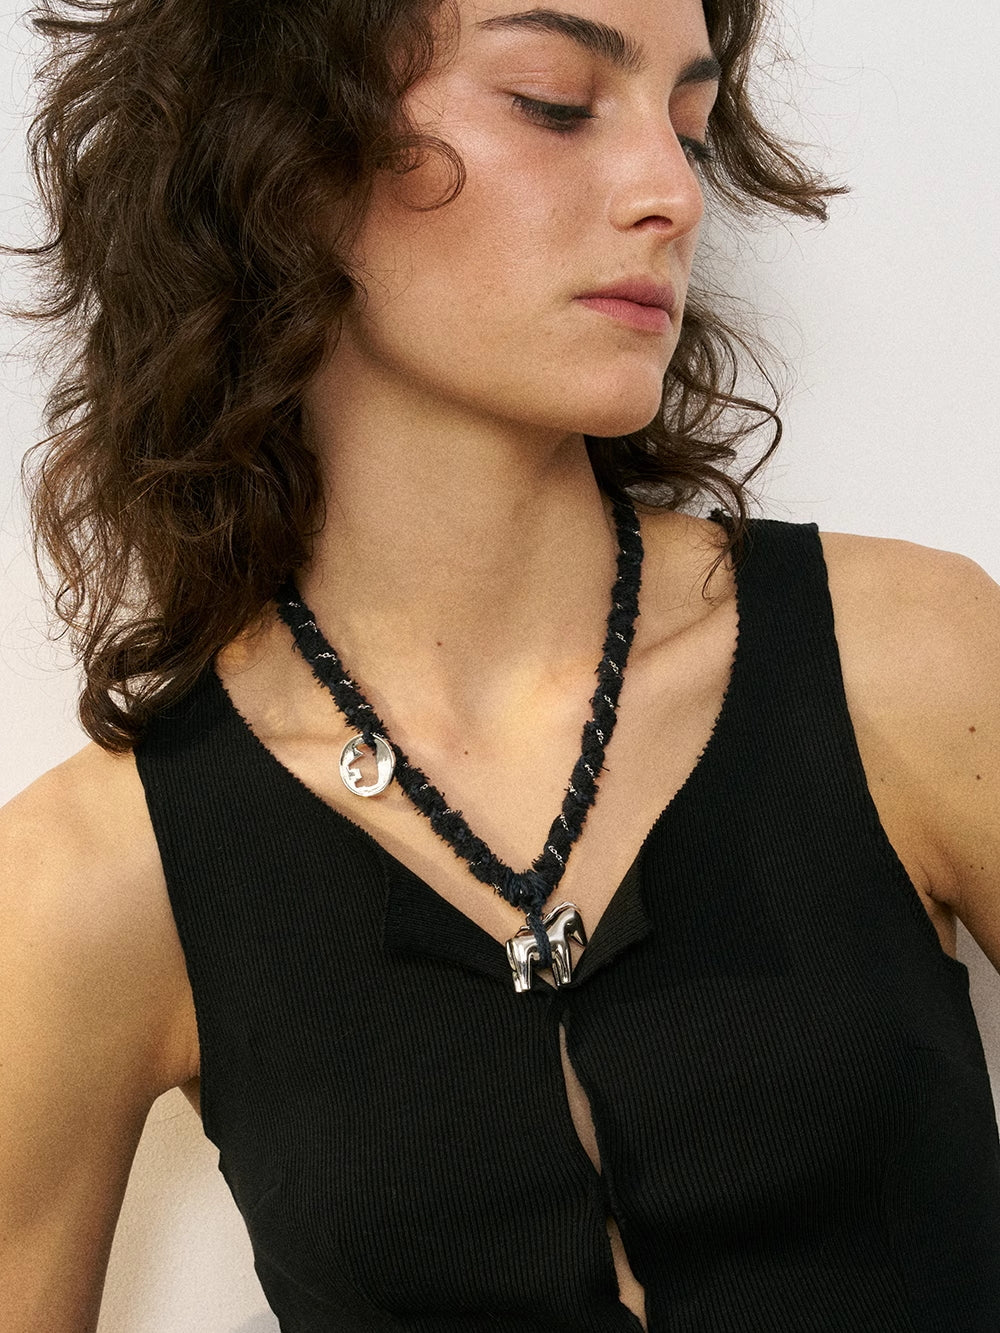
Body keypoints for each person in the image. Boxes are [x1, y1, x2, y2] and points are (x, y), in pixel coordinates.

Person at [2, 0, 999, 1328]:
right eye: (553, 103)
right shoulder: (93, 874)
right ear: (285, 154)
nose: (669, 194)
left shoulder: (912, 658)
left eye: (691, 130)